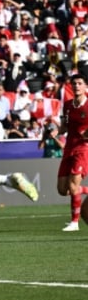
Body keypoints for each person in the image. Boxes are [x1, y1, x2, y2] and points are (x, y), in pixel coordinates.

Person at [57, 74, 88, 232]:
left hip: (83, 149)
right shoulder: (68, 105)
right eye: (74, 83)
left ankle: (74, 223)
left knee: (73, 185)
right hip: (69, 148)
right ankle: (84, 190)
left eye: (79, 83)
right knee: (63, 190)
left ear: (85, 86)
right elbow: (64, 127)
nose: (76, 86)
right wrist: (54, 128)